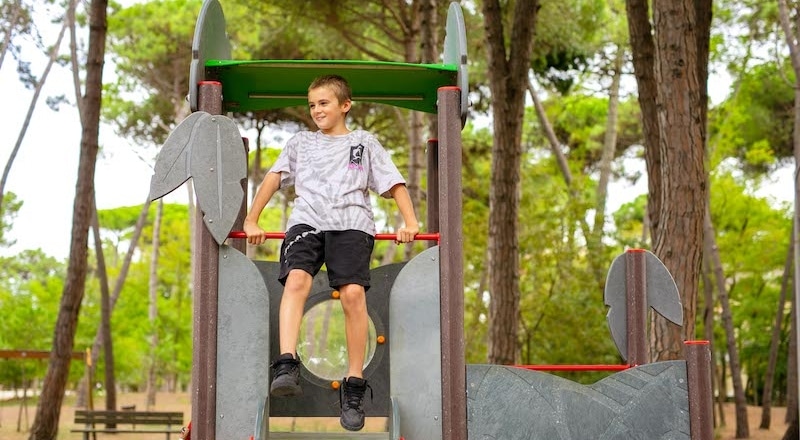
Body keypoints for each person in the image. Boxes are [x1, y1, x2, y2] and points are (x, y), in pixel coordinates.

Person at [243, 74, 419, 432]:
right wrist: (251, 218)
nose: (316, 110)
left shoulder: (363, 142)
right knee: (296, 281)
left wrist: (410, 221)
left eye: (323, 103)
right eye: (312, 105)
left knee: (353, 295)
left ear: (344, 105)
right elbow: (273, 179)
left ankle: (354, 386)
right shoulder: (301, 143)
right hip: (307, 222)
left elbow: (394, 183)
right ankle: (287, 363)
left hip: (352, 224)